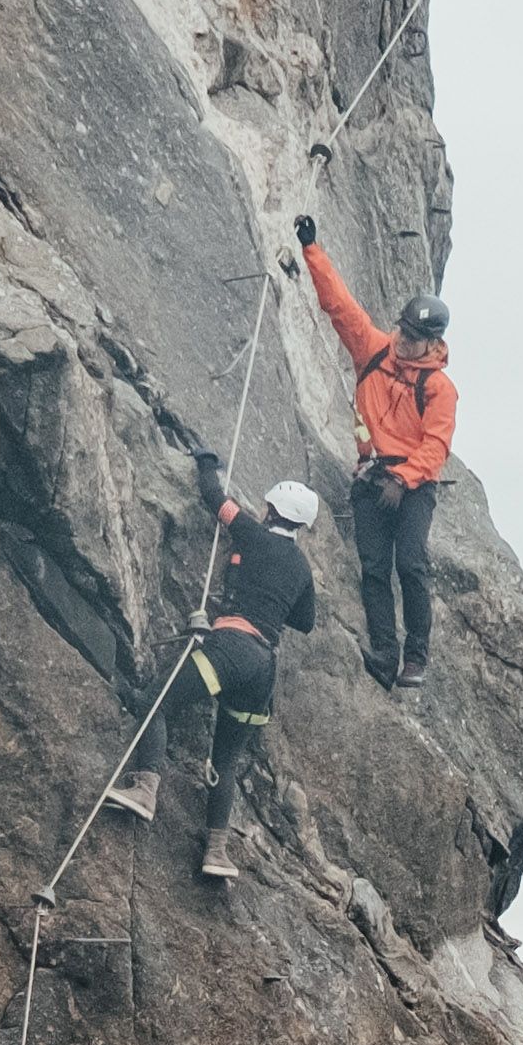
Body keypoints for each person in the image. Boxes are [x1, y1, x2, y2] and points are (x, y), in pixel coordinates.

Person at [292, 217, 452, 691]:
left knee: (412, 564)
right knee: (375, 569)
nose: (402, 338)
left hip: (413, 486)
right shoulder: (375, 350)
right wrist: (312, 249)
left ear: (433, 343)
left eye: (412, 335)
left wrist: (404, 482)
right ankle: (385, 653)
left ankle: (416, 657)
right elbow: (340, 306)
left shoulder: (440, 389)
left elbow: (436, 445)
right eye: (402, 329)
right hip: (371, 478)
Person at [147, 467, 315, 882]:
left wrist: (206, 464)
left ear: (272, 511)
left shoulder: (254, 535)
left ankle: (143, 788)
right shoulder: (300, 566)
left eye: (266, 506)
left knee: (158, 704)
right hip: (263, 671)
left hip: (232, 647)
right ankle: (217, 851)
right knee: (225, 759)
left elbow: (215, 499)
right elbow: (306, 620)